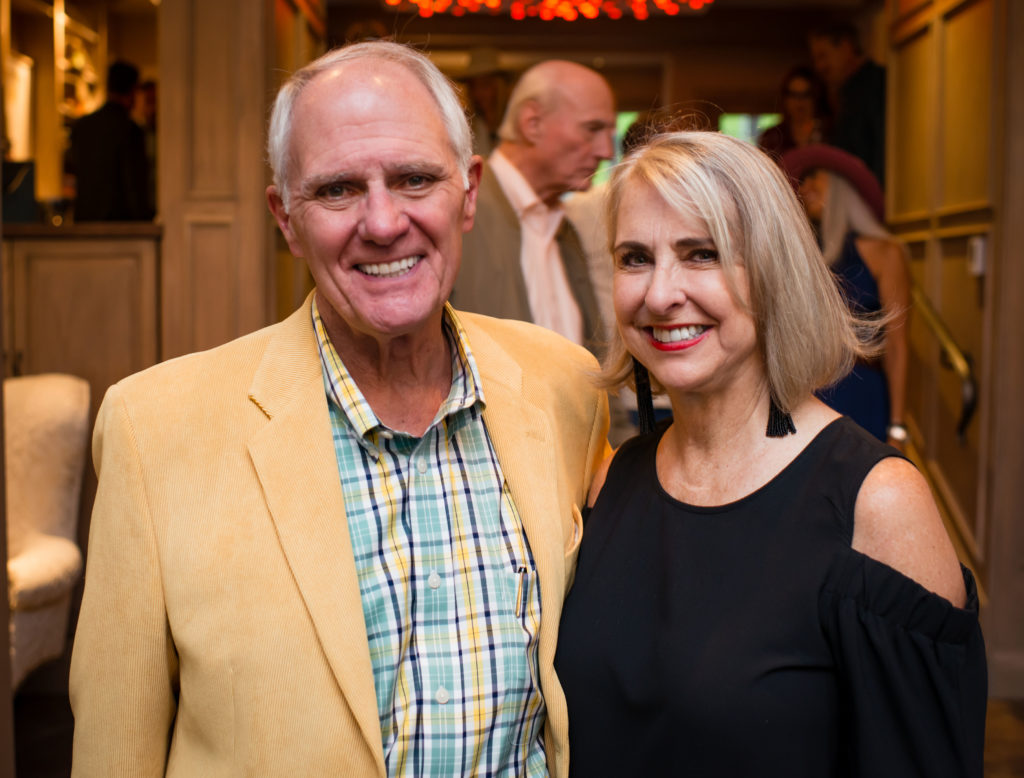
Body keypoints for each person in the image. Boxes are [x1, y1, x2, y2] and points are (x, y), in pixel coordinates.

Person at [69, 41, 610, 777]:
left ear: (470, 192)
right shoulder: (152, 428)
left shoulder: (564, 386)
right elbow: (114, 750)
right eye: (337, 191)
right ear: (285, 218)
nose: (383, 222)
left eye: (416, 179)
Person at [555, 131, 986, 777]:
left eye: (702, 254)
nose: (660, 293)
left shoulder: (876, 504)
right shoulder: (612, 481)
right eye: (635, 258)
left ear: (775, 272)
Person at [451, 59, 616, 355]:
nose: (606, 151)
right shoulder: (459, 213)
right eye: (592, 129)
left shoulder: (564, 228)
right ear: (532, 123)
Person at [782, 143, 910, 445]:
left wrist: (898, 427)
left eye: (816, 177)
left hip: (862, 395)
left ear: (843, 189)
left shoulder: (885, 253)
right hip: (807, 393)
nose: (805, 187)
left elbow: (897, 345)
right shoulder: (804, 256)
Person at [67, 60, 154, 221]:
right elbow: (134, 187)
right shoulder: (130, 131)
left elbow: (71, 174)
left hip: (85, 222)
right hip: (120, 226)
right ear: (133, 91)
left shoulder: (82, 126)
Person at [809, 21, 887, 186]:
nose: (819, 66)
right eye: (816, 59)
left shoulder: (876, 84)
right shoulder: (845, 94)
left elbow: (881, 148)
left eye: (823, 56)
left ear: (845, 47)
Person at [757, 64, 831, 158]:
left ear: (816, 97)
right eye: (793, 95)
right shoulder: (772, 137)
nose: (799, 101)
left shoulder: (829, 133)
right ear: (785, 99)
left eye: (806, 95)